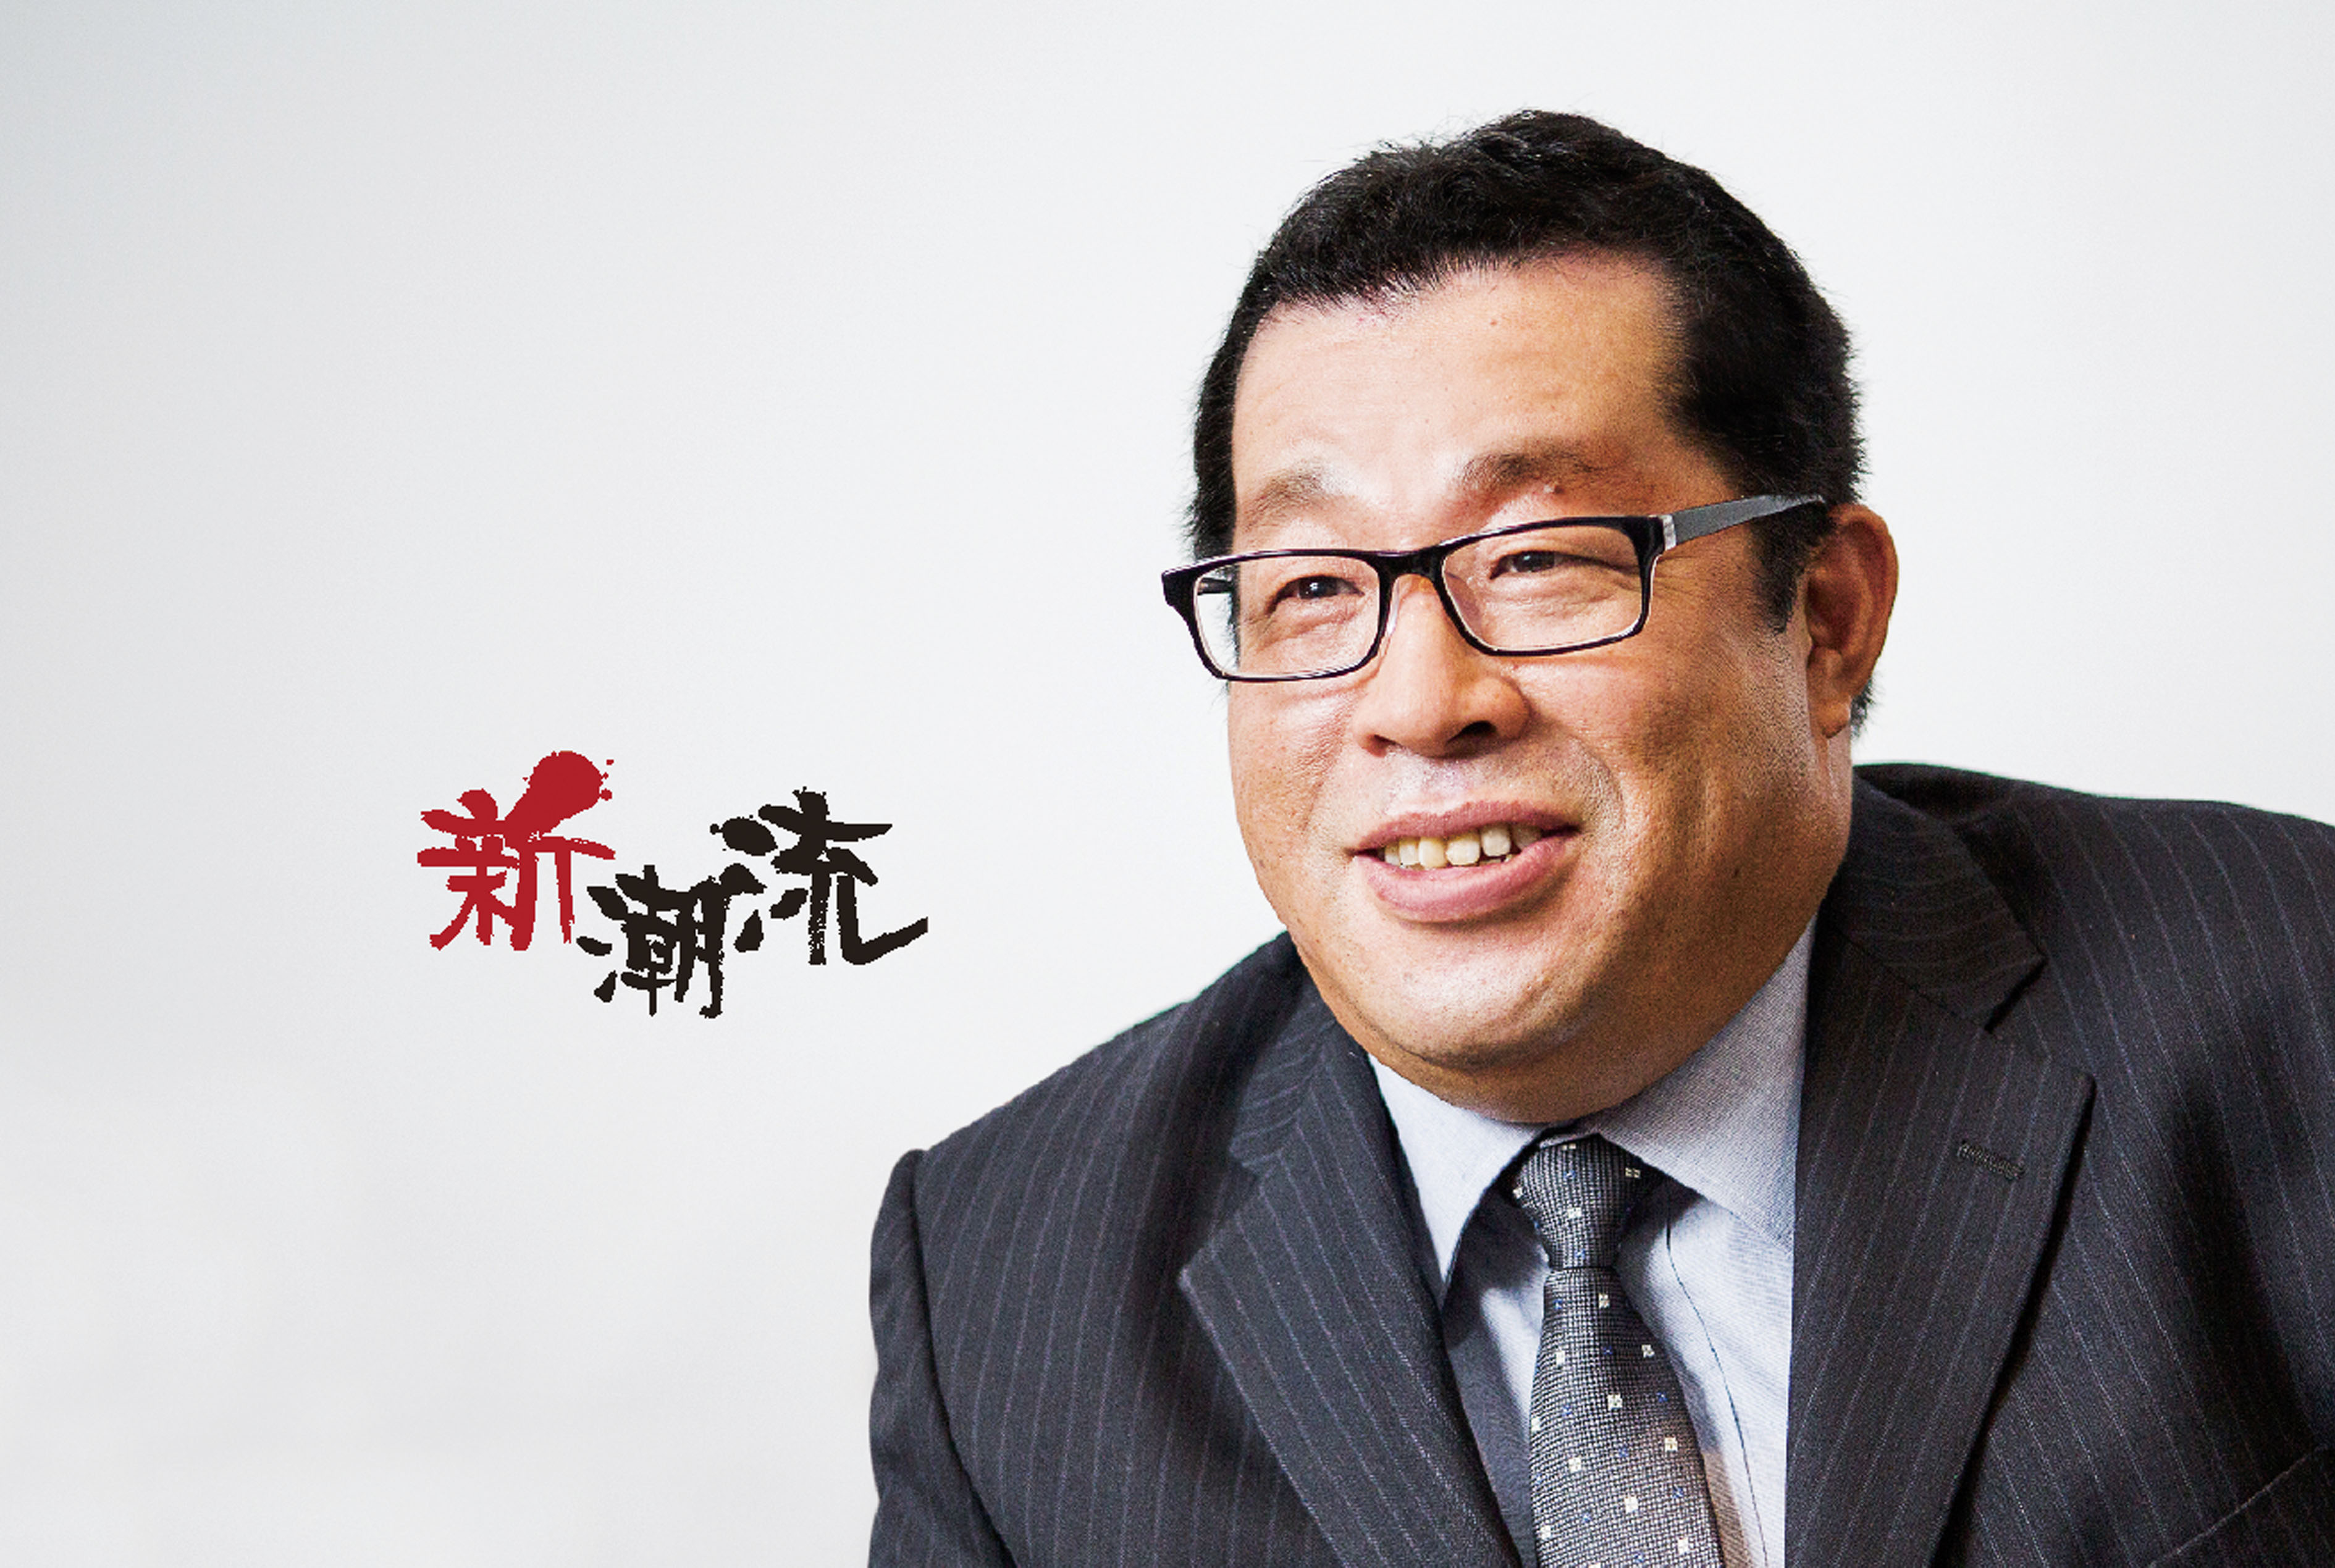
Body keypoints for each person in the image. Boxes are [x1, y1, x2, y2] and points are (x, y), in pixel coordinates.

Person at [867, 111, 2335, 1567]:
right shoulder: (1003, 1286)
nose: (1421, 702)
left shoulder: (2292, 1007)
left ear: (1826, 621)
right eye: (1311, 588)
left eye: (1539, 559)